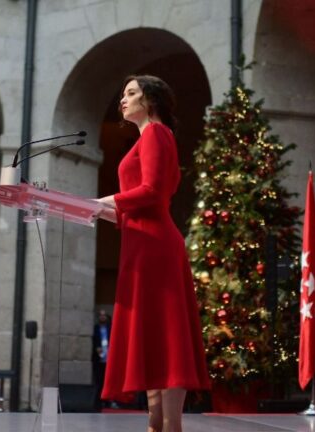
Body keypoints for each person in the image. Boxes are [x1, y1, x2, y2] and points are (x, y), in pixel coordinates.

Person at [96, 75, 210, 432]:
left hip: (155, 246)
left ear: (151, 100)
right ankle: (155, 424)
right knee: (152, 334)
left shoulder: (156, 134)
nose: (123, 100)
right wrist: (94, 209)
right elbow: (134, 207)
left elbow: (153, 192)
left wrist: (102, 202)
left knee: (166, 334)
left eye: (131, 93)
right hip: (141, 243)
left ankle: (170, 426)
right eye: (123, 94)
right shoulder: (148, 137)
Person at [92, 309, 113, 409]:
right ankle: (98, 402)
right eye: (101, 315)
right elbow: (94, 340)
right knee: (99, 382)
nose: (102, 317)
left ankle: (107, 402)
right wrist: (97, 348)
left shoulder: (110, 328)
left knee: (107, 382)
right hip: (99, 359)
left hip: (108, 360)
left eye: (104, 315)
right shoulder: (95, 328)